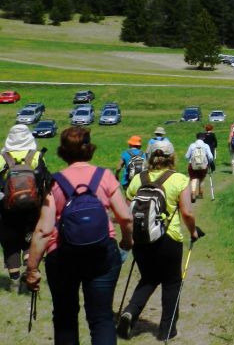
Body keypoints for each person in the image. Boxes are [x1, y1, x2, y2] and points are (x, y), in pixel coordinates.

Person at [24, 126, 134, 345]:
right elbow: (126, 218)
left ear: (63, 152)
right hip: (102, 254)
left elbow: (44, 230)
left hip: (63, 256)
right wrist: (126, 241)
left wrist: (32, 269)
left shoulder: (53, 182)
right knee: (101, 317)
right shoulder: (105, 177)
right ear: (89, 149)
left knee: (65, 317)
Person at [118, 140, 199, 341]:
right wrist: (193, 232)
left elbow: (126, 215)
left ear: (149, 156)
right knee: (171, 282)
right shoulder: (179, 179)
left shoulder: (138, 179)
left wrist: (128, 239)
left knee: (148, 278)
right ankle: (167, 330)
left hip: (142, 239)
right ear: (172, 157)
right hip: (169, 239)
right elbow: (187, 213)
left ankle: (130, 312)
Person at [1, 124, 50, 293]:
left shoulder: (2, 157)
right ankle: (28, 274)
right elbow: (44, 182)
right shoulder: (36, 156)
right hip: (32, 209)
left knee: (10, 243)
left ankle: (14, 282)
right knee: (30, 240)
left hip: (7, 210)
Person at [184, 132, 213, 202]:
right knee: (202, 179)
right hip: (203, 165)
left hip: (192, 165)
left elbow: (187, 156)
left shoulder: (192, 145)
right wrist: (209, 163)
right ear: (203, 138)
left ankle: (193, 193)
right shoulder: (206, 146)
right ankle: (200, 193)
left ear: (196, 138)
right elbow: (211, 157)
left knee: (193, 179)